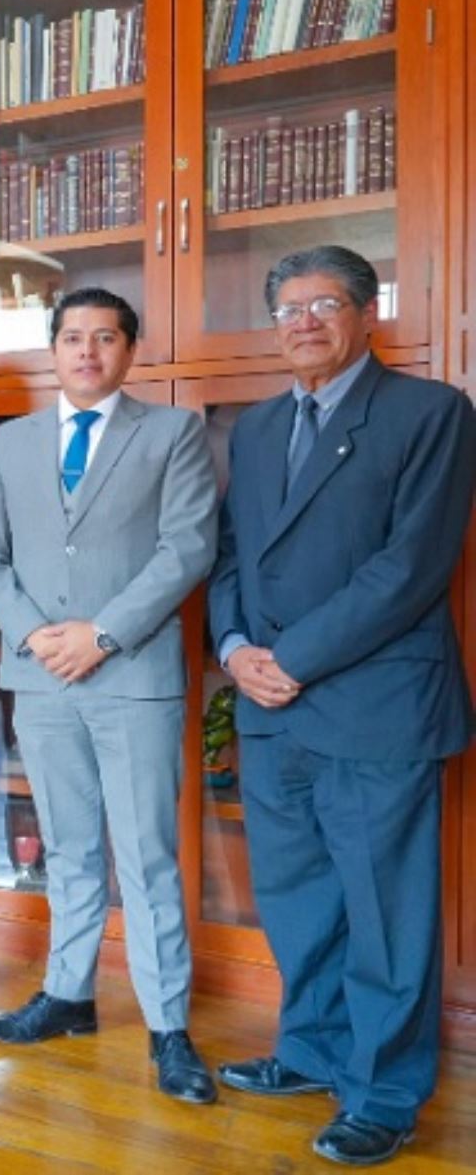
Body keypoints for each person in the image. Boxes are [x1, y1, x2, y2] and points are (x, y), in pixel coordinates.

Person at [209, 246, 476, 1166]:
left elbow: (410, 566)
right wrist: (236, 649)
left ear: (368, 313)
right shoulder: (253, 427)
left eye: (324, 304)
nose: (304, 321)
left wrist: (293, 656)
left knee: (386, 910)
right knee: (298, 899)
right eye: (288, 308)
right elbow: (233, 553)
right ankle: (314, 1049)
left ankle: (387, 1089)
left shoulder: (430, 413)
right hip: (269, 704)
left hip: (373, 704)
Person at [0, 287, 219, 1103]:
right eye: (71, 337)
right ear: (54, 349)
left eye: (103, 337)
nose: (86, 352)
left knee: (146, 855)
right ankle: (69, 994)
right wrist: (37, 633)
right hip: (39, 677)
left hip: (133, 676)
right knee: (69, 846)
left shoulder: (174, 432)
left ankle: (168, 1025)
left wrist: (102, 634)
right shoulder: (11, 443)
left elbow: (186, 549)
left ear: (128, 350)